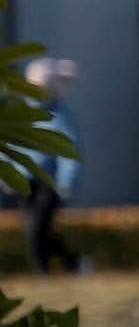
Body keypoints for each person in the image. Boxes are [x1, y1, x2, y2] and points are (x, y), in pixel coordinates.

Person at [22, 57, 82, 274]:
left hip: (50, 182)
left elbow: (69, 151)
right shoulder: (25, 112)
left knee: (36, 230)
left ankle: (42, 274)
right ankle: (75, 263)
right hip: (28, 182)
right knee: (42, 230)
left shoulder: (59, 115)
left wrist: (66, 182)